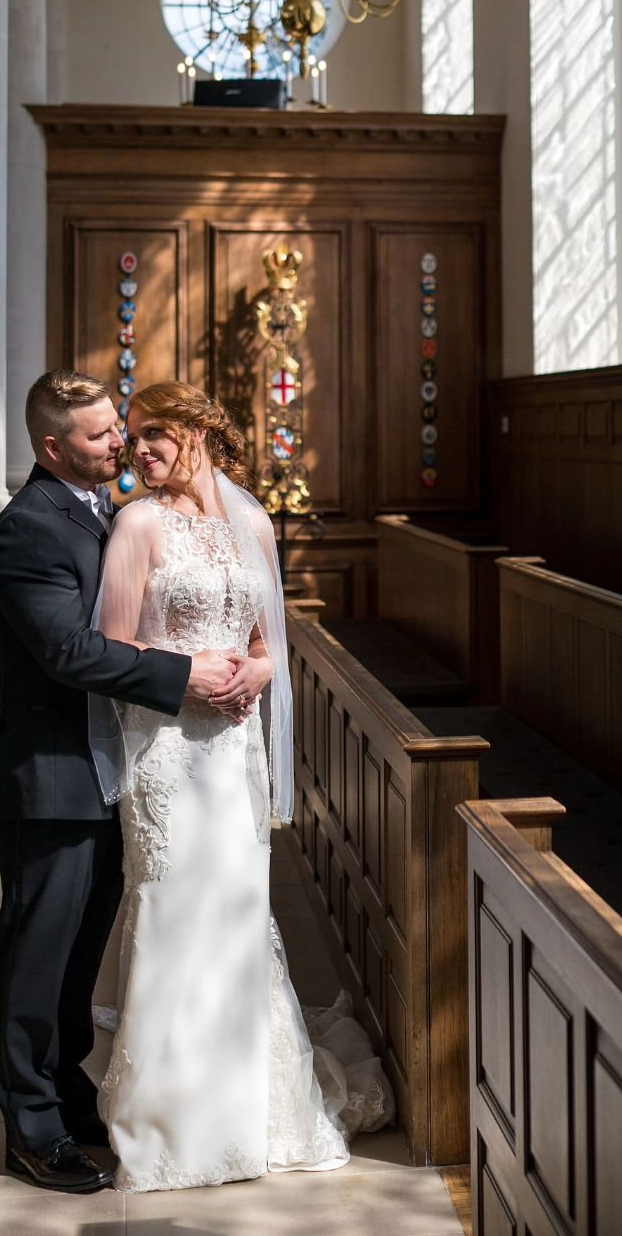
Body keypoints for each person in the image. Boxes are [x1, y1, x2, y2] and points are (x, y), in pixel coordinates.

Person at [94, 379, 390, 1192]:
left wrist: (250, 675)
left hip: (230, 751)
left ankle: (252, 1110)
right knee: (169, 906)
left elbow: (269, 643)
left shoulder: (253, 522)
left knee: (234, 913)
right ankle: (168, 1122)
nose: (140, 450)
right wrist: (186, 678)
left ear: (197, 432)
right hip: (163, 751)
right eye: (134, 435)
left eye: (155, 433)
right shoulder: (137, 524)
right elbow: (113, 651)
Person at [0, 369, 239, 1195]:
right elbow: (67, 653)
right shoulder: (28, 529)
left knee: (79, 953)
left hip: (107, 767)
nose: (119, 442)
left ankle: (67, 1094)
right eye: (99, 436)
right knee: (35, 954)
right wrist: (182, 674)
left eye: (115, 429)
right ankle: (32, 1128)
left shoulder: (104, 509)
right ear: (53, 448)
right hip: (49, 772)